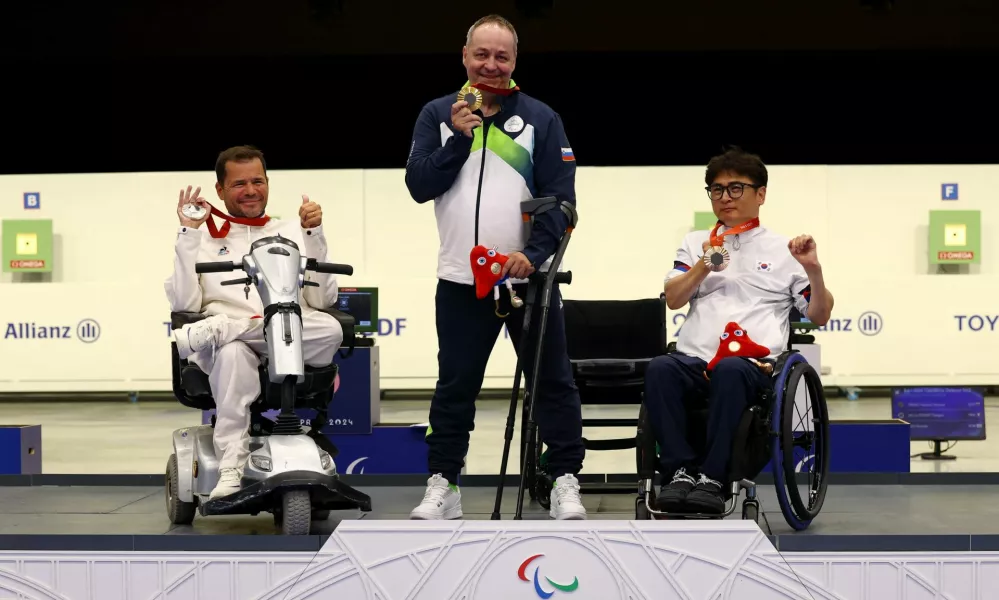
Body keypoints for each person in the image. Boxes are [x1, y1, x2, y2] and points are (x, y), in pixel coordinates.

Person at [403, 14, 586, 520]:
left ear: (514, 61)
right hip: (462, 283)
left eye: (501, 56)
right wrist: (458, 140)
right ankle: (445, 484)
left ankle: (565, 478)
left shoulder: (541, 119)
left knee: (552, 383)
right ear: (464, 56)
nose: (490, 64)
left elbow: (561, 202)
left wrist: (534, 256)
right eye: (481, 54)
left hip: (529, 279)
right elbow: (419, 185)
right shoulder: (439, 114)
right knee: (455, 387)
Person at [644, 148, 834, 514]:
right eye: (716, 189)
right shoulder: (695, 241)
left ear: (760, 194)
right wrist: (705, 262)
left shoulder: (784, 250)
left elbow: (820, 314)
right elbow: (673, 299)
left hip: (751, 366)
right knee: (660, 368)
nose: (725, 198)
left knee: (731, 371)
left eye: (735, 188)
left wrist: (812, 269)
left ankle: (714, 478)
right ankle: (680, 472)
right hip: (693, 360)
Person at [165, 145, 344, 500]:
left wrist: (314, 234)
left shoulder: (292, 229)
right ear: (220, 190)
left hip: (284, 332)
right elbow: (184, 304)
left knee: (331, 328)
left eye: (258, 181)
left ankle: (229, 327)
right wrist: (188, 234)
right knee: (232, 353)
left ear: (268, 183)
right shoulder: (202, 239)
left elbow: (322, 301)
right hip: (227, 350)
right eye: (239, 184)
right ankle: (231, 464)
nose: (251, 190)